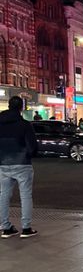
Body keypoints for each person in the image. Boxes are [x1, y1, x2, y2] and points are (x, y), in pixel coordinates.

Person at [0, 96, 38, 238]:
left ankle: (5, 227)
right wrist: (29, 154)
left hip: (3, 163)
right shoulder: (25, 125)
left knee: (3, 195)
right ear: (21, 107)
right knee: (25, 195)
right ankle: (26, 228)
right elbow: (32, 146)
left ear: (9, 106)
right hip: (22, 163)